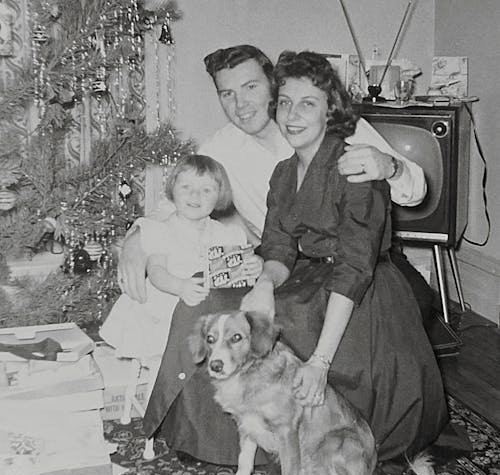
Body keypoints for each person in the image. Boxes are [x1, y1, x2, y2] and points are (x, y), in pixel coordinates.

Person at [142, 51, 464, 469]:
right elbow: (276, 248)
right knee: (223, 312)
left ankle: (297, 434)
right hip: (304, 273)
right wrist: (262, 286)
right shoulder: (280, 170)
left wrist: (320, 362)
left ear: (330, 110)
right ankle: (218, 436)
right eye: (286, 103)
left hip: (360, 287)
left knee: (277, 329)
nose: (291, 114)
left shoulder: (354, 160)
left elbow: (355, 265)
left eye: (307, 104)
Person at [118, 45, 434, 326]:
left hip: (362, 264)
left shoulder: (337, 125)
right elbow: (173, 203)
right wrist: (137, 239)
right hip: (281, 267)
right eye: (227, 93)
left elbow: (416, 189)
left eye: (250, 86)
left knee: (411, 311)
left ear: (272, 85)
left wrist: (389, 167)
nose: (240, 104)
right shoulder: (221, 147)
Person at [100, 154, 262, 360]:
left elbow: (238, 268)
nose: (195, 196)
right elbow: (156, 271)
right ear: (172, 189)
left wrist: (255, 265)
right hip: (166, 307)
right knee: (162, 361)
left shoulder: (226, 233)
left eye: (206, 190)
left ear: (220, 195)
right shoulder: (162, 230)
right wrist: (180, 286)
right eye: (186, 187)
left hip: (208, 312)